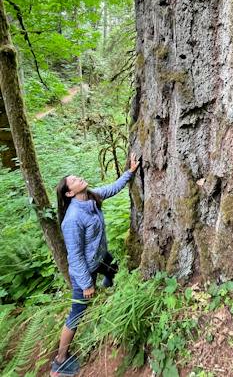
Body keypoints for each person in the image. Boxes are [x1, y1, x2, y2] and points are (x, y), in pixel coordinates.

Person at [50, 153, 140, 377]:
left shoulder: (90, 198)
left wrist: (129, 172)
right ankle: (60, 361)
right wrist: (87, 284)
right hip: (85, 270)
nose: (80, 178)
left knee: (114, 270)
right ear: (70, 193)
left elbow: (111, 188)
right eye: (74, 180)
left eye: (77, 177)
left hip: (100, 258)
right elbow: (75, 257)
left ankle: (108, 290)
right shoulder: (72, 219)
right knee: (77, 313)